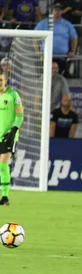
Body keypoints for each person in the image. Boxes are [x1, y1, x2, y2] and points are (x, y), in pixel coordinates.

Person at [0, 71, 24, 206]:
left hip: (8, 136)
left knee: (3, 165)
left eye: (0, 80)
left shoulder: (13, 95)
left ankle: (5, 197)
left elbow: (20, 116)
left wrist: (13, 131)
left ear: (5, 81)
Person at [34, 3, 78, 75]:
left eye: (59, 10)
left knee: (58, 77)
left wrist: (73, 50)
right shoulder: (43, 23)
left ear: (62, 11)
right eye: (55, 10)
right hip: (46, 56)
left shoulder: (67, 24)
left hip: (61, 57)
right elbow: (35, 37)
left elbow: (74, 38)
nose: (57, 12)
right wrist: (37, 50)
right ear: (51, 11)